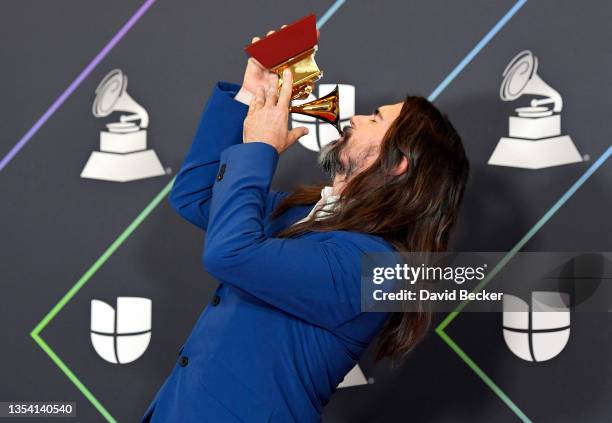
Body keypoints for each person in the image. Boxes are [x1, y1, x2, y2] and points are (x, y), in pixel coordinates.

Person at [141, 30, 469, 423]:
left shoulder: (377, 268)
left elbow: (230, 254)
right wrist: (250, 95)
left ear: (399, 162)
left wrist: (259, 148)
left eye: (376, 118)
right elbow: (194, 196)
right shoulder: (303, 213)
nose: (355, 117)